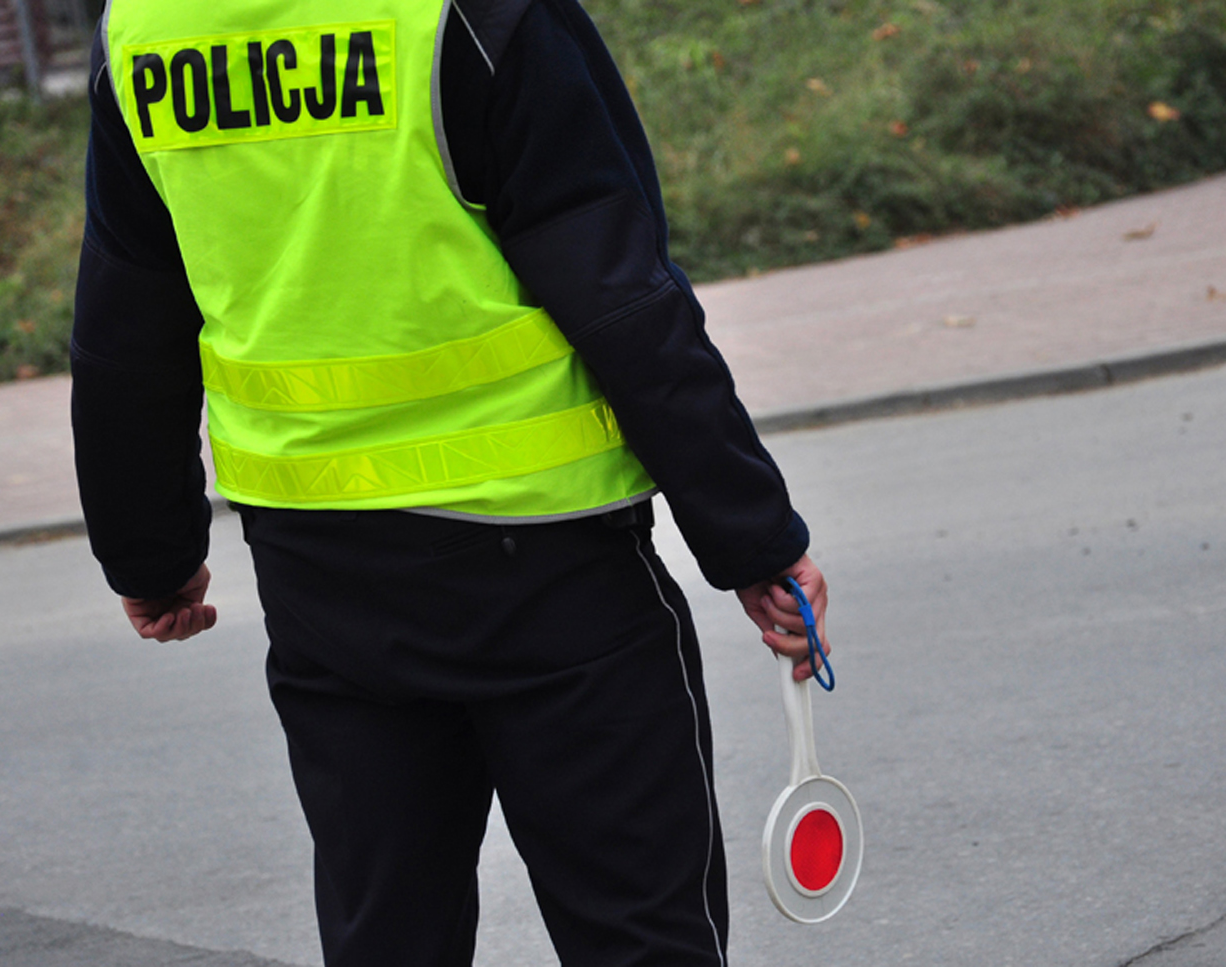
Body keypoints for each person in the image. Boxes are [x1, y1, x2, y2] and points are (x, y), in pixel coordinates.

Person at [71, 0, 831, 964]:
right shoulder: (469, 14)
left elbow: (124, 322)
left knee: (390, 938)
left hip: (324, 581)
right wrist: (752, 536)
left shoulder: (144, 32)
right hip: (551, 570)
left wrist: (150, 550)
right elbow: (620, 291)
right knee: (638, 936)